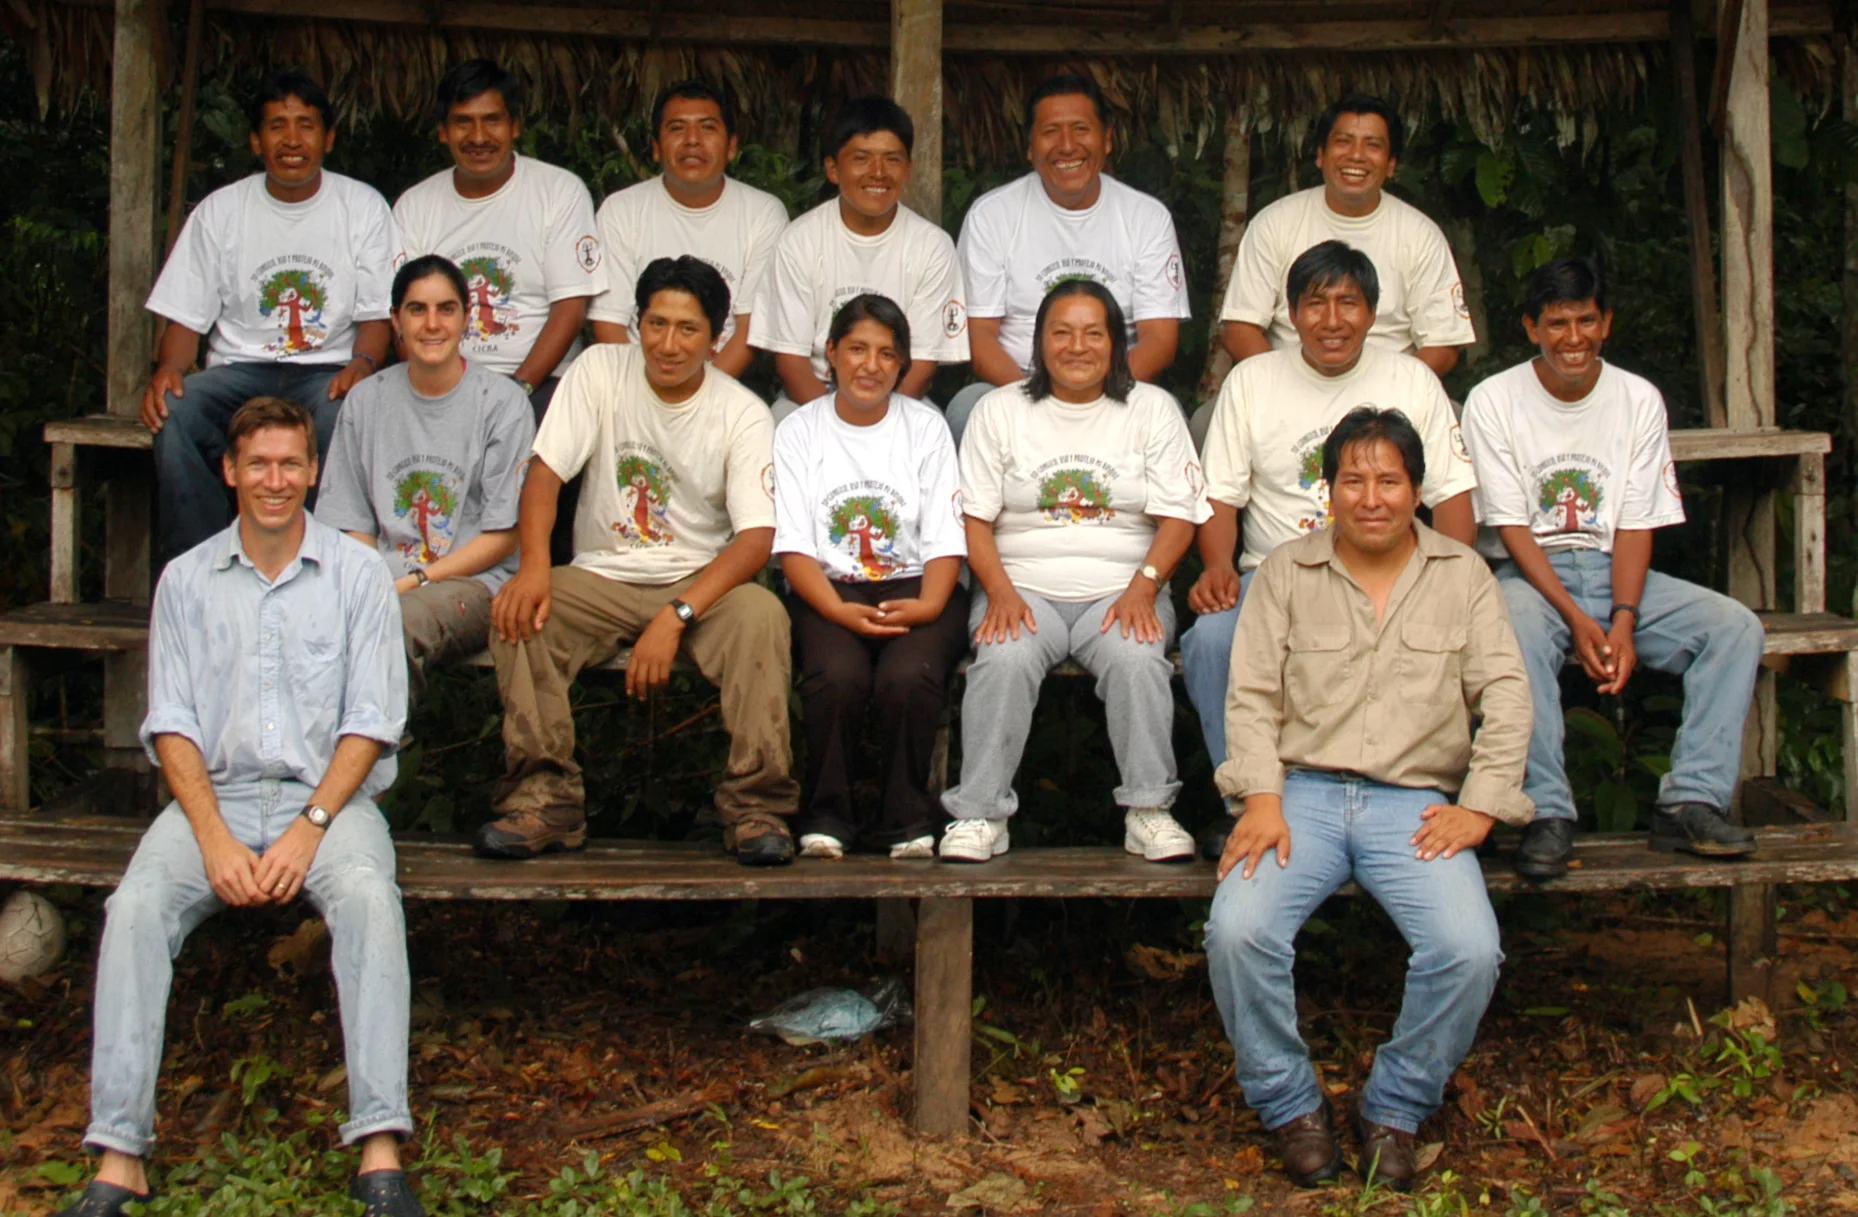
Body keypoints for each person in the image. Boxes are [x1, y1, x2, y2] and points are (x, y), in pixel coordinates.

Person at [59, 397, 419, 1217]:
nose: (275, 479)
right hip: (209, 800)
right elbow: (172, 726)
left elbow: (371, 722)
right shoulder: (185, 580)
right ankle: (119, 1154)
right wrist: (214, 839)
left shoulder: (358, 574)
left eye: (291, 463)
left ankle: (380, 1147)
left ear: (314, 469)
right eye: (258, 463)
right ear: (227, 470)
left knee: (367, 898)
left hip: (329, 800)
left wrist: (309, 828)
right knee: (138, 904)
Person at [1206, 407, 1533, 1194]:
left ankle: (1394, 1106)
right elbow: (1249, 693)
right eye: (1353, 478)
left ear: (1417, 489)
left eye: (1389, 479)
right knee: (1236, 930)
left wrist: (1482, 806)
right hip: (1302, 796)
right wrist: (1260, 795)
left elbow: (1510, 696)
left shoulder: (1463, 574)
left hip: (1413, 805)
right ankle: (1290, 1105)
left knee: (1466, 948)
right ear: (1330, 490)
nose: (1372, 496)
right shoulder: (1286, 570)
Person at [482, 256, 799, 865]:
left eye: (687, 329)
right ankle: (543, 800)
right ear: (636, 324)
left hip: (699, 583)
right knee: (519, 614)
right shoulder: (599, 371)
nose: (669, 344)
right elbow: (544, 476)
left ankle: (757, 808)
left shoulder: (741, 412)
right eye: (656, 324)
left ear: (716, 338)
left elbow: (755, 540)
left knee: (762, 615)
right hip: (601, 573)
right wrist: (533, 568)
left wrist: (675, 614)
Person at [1460, 258, 1761, 879]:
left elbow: (1633, 521)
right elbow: (1511, 528)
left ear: (1607, 324)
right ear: (1531, 329)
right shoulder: (1494, 401)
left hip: (1615, 570)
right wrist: (1576, 618)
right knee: (1510, 626)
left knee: (1735, 628)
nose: (1574, 338)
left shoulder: (1637, 398)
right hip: (1532, 575)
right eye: (1558, 323)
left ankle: (1690, 800)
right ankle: (1546, 810)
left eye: (1586, 321)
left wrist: (1622, 618)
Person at [1179, 240, 1476, 777]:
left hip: (1389, 574)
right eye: (1315, 304)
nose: (1332, 320)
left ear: (1372, 312)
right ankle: (1246, 790)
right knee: (1210, 641)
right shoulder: (1252, 381)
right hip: (1274, 573)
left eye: (1348, 303)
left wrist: (1448, 582)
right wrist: (1219, 566)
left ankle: (1406, 789)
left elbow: (1452, 496)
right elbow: (1220, 495)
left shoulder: (1411, 380)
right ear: (1291, 314)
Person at [940, 280, 1208, 863]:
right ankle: (980, 814)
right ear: (1039, 342)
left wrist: (1145, 586)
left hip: (1122, 588)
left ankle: (1149, 811)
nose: (1077, 346)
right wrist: (1000, 592)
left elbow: (1180, 517)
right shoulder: (1000, 409)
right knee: (1003, 658)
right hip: (1021, 585)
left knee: (1139, 660)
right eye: (1061, 332)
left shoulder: (1152, 409)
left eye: (1094, 332)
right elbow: (973, 519)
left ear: (1116, 343)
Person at [141, 71, 398, 561]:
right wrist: (170, 370)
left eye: (305, 125)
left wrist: (363, 364)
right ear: (257, 141)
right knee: (175, 412)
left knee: (344, 415)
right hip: (238, 373)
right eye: (277, 126)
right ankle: (203, 567)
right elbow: (184, 319)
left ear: (328, 138)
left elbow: (376, 315)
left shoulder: (362, 207)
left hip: (326, 374)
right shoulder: (221, 211)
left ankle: (323, 570)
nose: (293, 139)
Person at [774, 294, 969, 859]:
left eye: (887, 353)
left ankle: (906, 819)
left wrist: (931, 606)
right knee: (836, 676)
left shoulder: (926, 428)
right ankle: (827, 816)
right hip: (827, 588)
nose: (870, 365)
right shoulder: (799, 431)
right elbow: (793, 545)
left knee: (911, 677)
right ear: (830, 354)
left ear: (903, 364)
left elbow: (943, 537)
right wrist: (834, 610)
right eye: (857, 348)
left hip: (916, 584)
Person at [315, 255, 535, 708]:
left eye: (446, 309)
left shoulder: (503, 404)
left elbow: (502, 535)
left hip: (473, 583)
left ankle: (364, 769)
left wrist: (413, 581)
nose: (432, 324)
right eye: (417, 310)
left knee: (391, 625)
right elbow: (351, 520)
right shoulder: (365, 401)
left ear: (467, 318)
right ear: (395, 320)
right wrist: (372, 584)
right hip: (381, 580)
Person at [946, 73, 1189, 444]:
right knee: (967, 407)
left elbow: (1159, 338)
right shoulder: (992, 216)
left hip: (1116, 385)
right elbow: (979, 337)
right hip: (1020, 386)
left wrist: (1098, 397)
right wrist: (1039, 401)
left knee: (1168, 413)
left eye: (1080, 129)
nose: (1067, 146)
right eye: (1050, 132)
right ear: (1029, 147)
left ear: (1107, 139)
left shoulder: (1146, 217)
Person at [393, 59, 606, 419]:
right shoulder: (415, 205)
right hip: (441, 380)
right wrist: (440, 388)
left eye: (492, 120)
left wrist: (518, 388)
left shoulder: (558, 192)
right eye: (463, 122)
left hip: (540, 381)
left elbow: (570, 308)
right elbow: (403, 317)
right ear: (443, 131)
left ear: (515, 126)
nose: (478, 137)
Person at [1217, 93, 1473, 377]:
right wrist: (1285, 390)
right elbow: (1240, 327)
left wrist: (1393, 397)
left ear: (1391, 165)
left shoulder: (1421, 235)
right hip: (1287, 385)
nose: (1356, 155)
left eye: (1373, 145)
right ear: (1320, 155)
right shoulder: (1274, 223)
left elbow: (1443, 343)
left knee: (1458, 418)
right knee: (1207, 419)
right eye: (1343, 141)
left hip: (1390, 398)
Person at [754, 97, 968, 424]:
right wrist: (839, 424)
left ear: (908, 168)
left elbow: (923, 364)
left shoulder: (932, 246)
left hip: (898, 397)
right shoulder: (800, 240)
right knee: (778, 421)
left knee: (931, 425)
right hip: (814, 394)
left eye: (891, 159)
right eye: (861, 158)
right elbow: (790, 359)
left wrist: (876, 422)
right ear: (833, 169)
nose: (877, 173)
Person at [589, 80, 789, 380]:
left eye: (707, 127)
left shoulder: (763, 214)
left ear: (732, 146)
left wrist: (699, 396)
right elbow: (609, 322)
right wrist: (642, 393)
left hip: (723, 384)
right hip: (634, 382)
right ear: (656, 148)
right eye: (677, 128)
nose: (692, 140)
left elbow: (750, 328)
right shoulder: (621, 210)